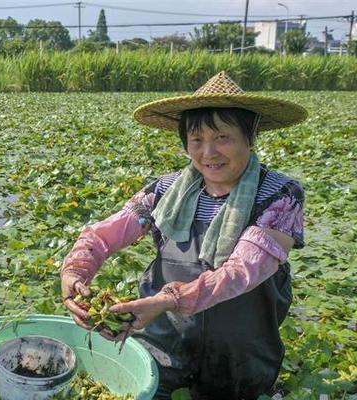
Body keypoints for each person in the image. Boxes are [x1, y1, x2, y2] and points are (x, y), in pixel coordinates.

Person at [60, 71, 308, 399]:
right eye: (197, 140)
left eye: (223, 137)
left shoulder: (280, 194)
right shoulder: (164, 191)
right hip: (165, 336)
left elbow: (242, 271)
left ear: (250, 137)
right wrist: (75, 271)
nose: (209, 152)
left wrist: (167, 300)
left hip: (239, 349)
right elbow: (104, 235)